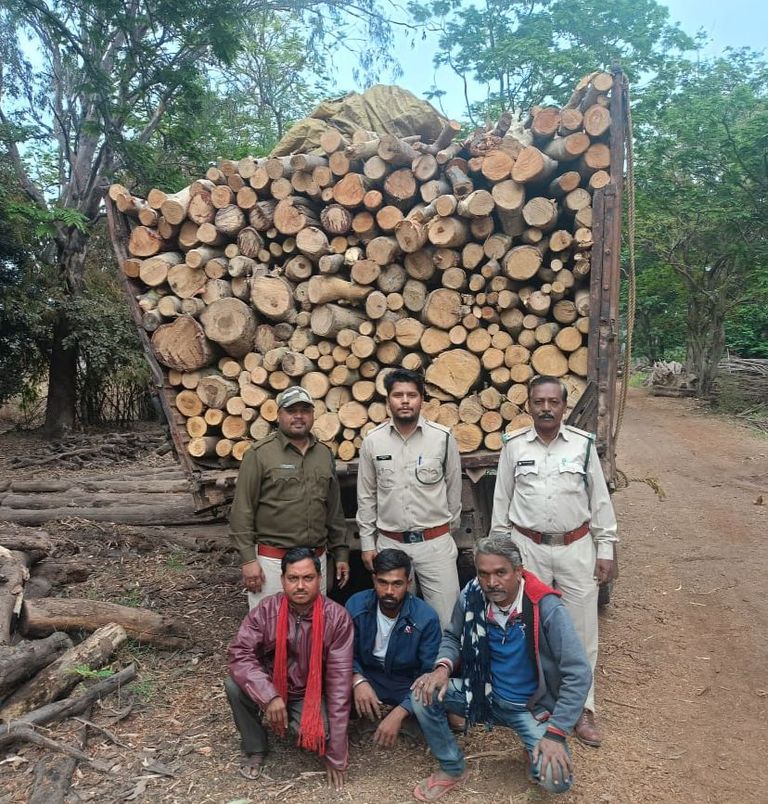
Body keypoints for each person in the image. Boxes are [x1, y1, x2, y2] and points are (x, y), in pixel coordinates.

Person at [410, 535, 591, 801]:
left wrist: (556, 733)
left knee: (556, 781)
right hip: (482, 695)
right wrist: (442, 669)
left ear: (518, 571)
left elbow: (578, 673)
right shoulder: (472, 595)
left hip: (530, 708)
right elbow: (452, 636)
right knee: (421, 693)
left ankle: (533, 745)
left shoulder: (545, 607)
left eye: (500, 572)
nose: (491, 582)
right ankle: (452, 767)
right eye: (483, 574)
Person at [489, 374, 618, 747]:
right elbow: (501, 502)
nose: (546, 408)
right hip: (527, 548)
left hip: (576, 547)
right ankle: (539, 701)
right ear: (529, 405)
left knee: (581, 630)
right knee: (532, 627)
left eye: (553, 402)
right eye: (539, 402)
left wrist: (605, 548)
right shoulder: (514, 446)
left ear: (563, 406)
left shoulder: (581, 445)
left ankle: (583, 708)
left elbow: (599, 501)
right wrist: (502, 554)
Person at [224, 547, 354, 791]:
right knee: (233, 685)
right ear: (282, 579)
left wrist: (336, 755)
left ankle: (295, 722)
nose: (300, 586)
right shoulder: (266, 609)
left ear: (319, 578)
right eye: (293, 578)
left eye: (308, 578)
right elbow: (240, 654)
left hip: (309, 693)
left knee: (319, 737)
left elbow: (339, 686)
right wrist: (269, 696)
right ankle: (255, 747)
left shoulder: (337, 618)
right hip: (271, 683)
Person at [356, 368, 462, 628]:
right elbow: (367, 496)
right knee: (394, 622)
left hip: (435, 544)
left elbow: (454, 489)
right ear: (388, 400)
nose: (405, 401)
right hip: (391, 544)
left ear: (421, 399)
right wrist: (368, 543)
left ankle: (446, 657)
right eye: (398, 395)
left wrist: (445, 532)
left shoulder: (442, 438)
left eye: (411, 395)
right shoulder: (373, 441)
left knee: (448, 621)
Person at [229, 385, 350, 608]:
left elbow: (334, 510)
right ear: (279, 415)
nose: (298, 416)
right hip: (273, 562)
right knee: (270, 624)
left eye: (305, 410)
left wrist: (341, 552)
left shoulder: (324, 454)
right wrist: (248, 560)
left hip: (315, 561)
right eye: (291, 411)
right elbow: (242, 509)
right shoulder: (259, 454)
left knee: (313, 623)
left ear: (313, 415)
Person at [345, 548, 442, 747]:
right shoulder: (356, 605)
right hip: (368, 676)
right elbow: (343, 654)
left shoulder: (425, 617)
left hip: (406, 683)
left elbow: (428, 674)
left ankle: (405, 720)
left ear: (409, 583)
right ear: (374, 580)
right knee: (333, 681)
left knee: (436, 698)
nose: (389, 591)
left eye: (397, 584)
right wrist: (357, 679)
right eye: (383, 582)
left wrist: (400, 711)